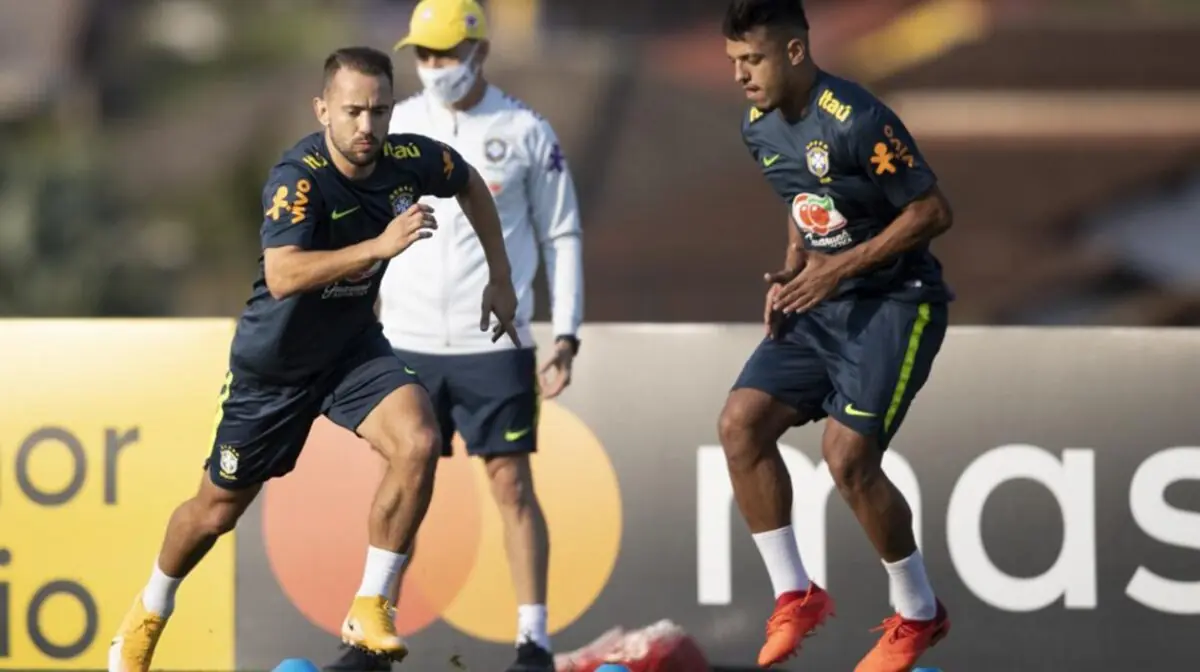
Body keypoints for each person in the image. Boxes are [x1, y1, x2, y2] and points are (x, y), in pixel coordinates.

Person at [107, 46, 520, 672]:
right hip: (273, 369)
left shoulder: (410, 160)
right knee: (215, 512)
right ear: (322, 109)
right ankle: (149, 610)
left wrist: (501, 275)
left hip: (351, 350)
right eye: (353, 111)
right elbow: (283, 274)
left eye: (379, 111)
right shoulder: (297, 178)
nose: (367, 126)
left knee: (418, 440)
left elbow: (467, 182)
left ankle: (372, 605)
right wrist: (377, 246)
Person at [325, 2, 583, 671]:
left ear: (480, 52)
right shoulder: (395, 124)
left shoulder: (526, 129)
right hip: (403, 340)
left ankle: (533, 642)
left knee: (511, 485)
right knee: (401, 487)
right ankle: (368, 638)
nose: (433, 66)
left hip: (494, 342)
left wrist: (566, 334)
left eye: (445, 53)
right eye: (424, 54)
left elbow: (561, 234)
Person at [718, 0, 955, 670]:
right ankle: (796, 595)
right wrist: (796, 264)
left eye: (753, 59)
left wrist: (839, 269)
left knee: (847, 457)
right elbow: (802, 200)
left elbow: (933, 211)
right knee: (740, 425)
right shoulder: (757, 125)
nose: (740, 75)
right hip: (821, 300)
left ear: (795, 52)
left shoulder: (858, 119)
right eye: (734, 61)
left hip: (895, 303)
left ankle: (919, 613)